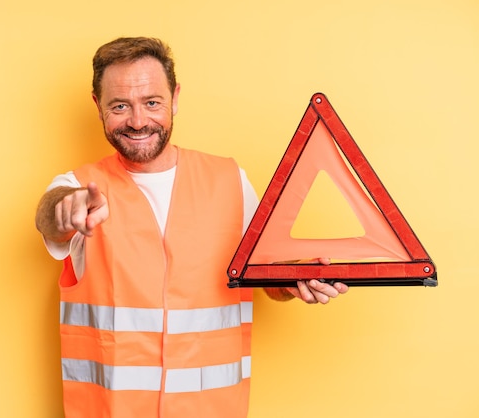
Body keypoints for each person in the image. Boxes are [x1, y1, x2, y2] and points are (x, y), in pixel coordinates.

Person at [35, 36, 348, 418]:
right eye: (120, 106)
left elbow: (268, 280)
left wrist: (293, 280)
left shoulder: (229, 181)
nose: (138, 121)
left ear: (175, 98)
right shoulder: (78, 187)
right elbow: (50, 216)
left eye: (152, 102)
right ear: (97, 105)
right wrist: (66, 210)